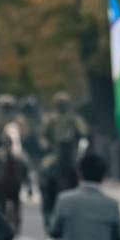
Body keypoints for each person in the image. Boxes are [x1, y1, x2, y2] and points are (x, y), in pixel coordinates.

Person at [39, 92, 89, 231]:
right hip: (54, 153)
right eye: (60, 104)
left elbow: (83, 132)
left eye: (63, 104)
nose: (61, 106)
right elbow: (43, 136)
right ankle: (46, 197)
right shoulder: (51, 119)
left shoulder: (74, 119)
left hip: (71, 153)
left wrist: (81, 145)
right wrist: (45, 144)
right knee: (45, 169)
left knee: (81, 172)